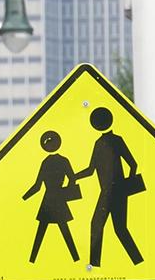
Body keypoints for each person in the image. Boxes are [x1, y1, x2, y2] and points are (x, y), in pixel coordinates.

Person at [74, 106, 145, 268]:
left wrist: (126, 185)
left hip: (114, 192)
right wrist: (74, 177)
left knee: (113, 228)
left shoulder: (111, 141)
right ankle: (97, 266)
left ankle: (137, 263)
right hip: (109, 192)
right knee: (107, 227)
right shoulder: (102, 143)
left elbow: (132, 163)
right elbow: (92, 170)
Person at [22, 130, 80, 263]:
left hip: (49, 199)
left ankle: (32, 260)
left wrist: (24, 198)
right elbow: (72, 179)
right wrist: (23, 198)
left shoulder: (46, 162)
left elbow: (37, 186)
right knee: (61, 230)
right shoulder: (62, 161)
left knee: (45, 231)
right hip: (57, 198)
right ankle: (75, 259)